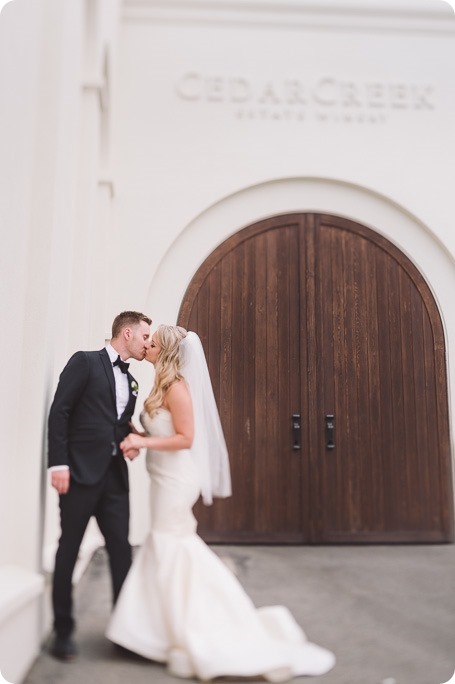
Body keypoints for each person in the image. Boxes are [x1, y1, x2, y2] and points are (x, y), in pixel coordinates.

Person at [106, 324, 335, 681]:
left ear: (164, 351)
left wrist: (144, 445)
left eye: (152, 341)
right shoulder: (159, 384)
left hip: (178, 481)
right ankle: (159, 628)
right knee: (169, 544)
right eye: (146, 339)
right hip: (162, 479)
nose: (146, 344)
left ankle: (179, 626)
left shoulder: (178, 388)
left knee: (170, 544)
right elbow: (159, 430)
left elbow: (185, 438)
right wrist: (135, 436)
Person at [48, 310, 152, 660]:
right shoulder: (85, 362)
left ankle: (124, 635)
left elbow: (116, 422)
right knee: (69, 548)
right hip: (77, 473)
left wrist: (133, 438)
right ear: (126, 334)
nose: (147, 343)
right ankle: (62, 632)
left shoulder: (132, 380)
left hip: (113, 476)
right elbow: (60, 411)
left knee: (121, 551)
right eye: (144, 337)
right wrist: (58, 463)